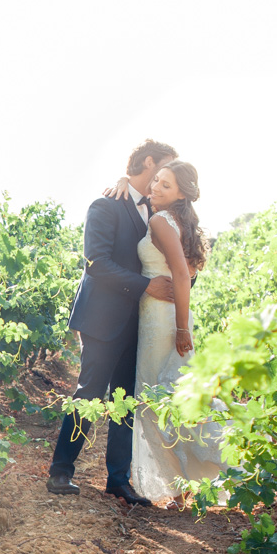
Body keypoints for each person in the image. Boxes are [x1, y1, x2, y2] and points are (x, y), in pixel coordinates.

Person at [47, 140, 178, 505]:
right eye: (167, 166)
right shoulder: (105, 205)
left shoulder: (159, 211)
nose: (170, 174)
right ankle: (61, 470)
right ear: (149, 163)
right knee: (89, 393)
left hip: (141, 322)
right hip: (103, 317)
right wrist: (146, 285)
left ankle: (118, 480)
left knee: (126, 401)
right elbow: (96, 263)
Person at [126, 160, 224, 506]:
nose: (155, 188)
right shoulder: (181, 222)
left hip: (163, 321)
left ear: (181, 193)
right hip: (166, 315)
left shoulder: (160, 220)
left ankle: (185, 485)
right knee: (171, 399)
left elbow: (183, 277)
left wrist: (182, 328)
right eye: (155, 181)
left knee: (155, 401)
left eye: (165, 185)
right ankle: (184, 487)